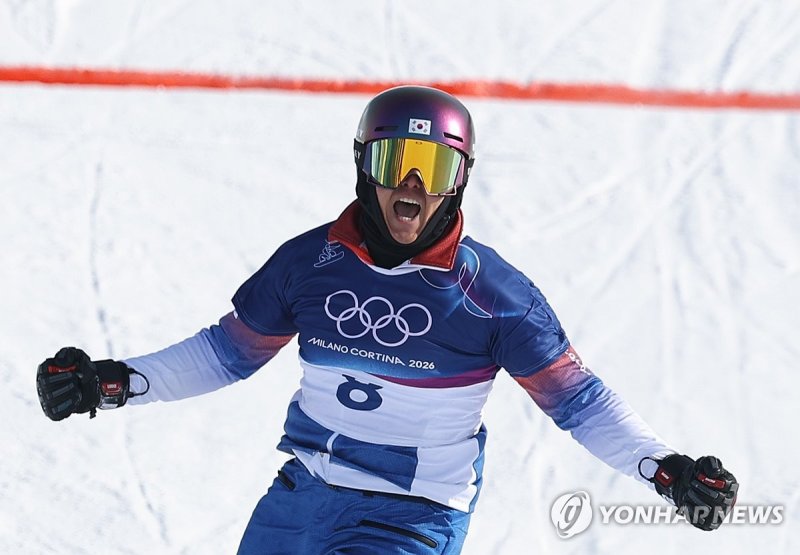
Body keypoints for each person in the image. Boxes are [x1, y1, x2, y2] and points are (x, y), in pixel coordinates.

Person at [36, 85, 738, 554]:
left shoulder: (495, 295)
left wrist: (666, 470)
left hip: (412, 513)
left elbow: (579, 403)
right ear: (362, 165)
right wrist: (110, 382)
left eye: (434, 167)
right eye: (396, 160)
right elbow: (227, 353)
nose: (412, 186)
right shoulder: (312, 263)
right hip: (303, 495)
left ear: (460, 179)